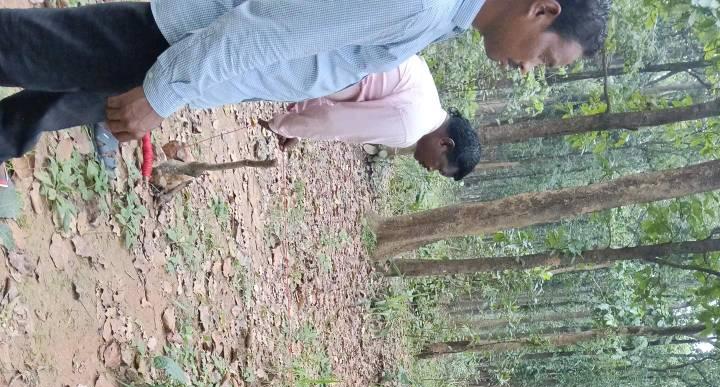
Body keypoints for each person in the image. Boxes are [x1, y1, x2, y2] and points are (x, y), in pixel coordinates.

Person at [0, 0, 610, 184]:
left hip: (190, 59)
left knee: (58, 101)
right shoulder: (423, 7)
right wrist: (163, 92)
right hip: (177, 44)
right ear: (542, 9)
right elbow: (265, 28)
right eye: (545, 57)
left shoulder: (441, 19)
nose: (529, 69)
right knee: (22, 49)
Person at [259, 57, 481, 181]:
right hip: (328, 65)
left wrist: (298, 119)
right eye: (439, 166)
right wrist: (283, 126)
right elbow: (335, 121)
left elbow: (350, 98)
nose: (430, 169)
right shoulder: (410, 129)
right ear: (445, 144)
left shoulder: (427, 92)